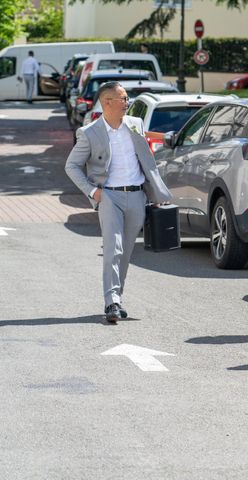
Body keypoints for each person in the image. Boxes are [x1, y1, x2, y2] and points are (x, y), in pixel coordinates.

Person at [65, 81, 172, 323]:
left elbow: (146, 159)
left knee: (126, 251)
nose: (127, 102)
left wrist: (154, 193)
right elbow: (71, 165)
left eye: (126, 98)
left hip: (136, 195)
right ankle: (111, 301)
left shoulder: (136, 125)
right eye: (123, 98)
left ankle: (117, 298)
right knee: (113, 247)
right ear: (107, 103)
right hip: (109, 196)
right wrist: (93, 192)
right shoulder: (90, 133)